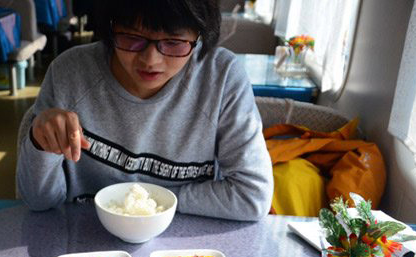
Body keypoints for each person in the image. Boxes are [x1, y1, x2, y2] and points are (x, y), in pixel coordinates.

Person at [16, 0, 273, 221]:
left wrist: (149, 206)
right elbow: (38, 203)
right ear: (110, 28)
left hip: (185, 254)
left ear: (199, 35)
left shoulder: (221, 78)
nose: (151, 60)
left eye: (174, 42)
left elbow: (252, 196)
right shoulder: (69, 74)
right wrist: (41, 145)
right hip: (80, 249)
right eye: (132, 38)